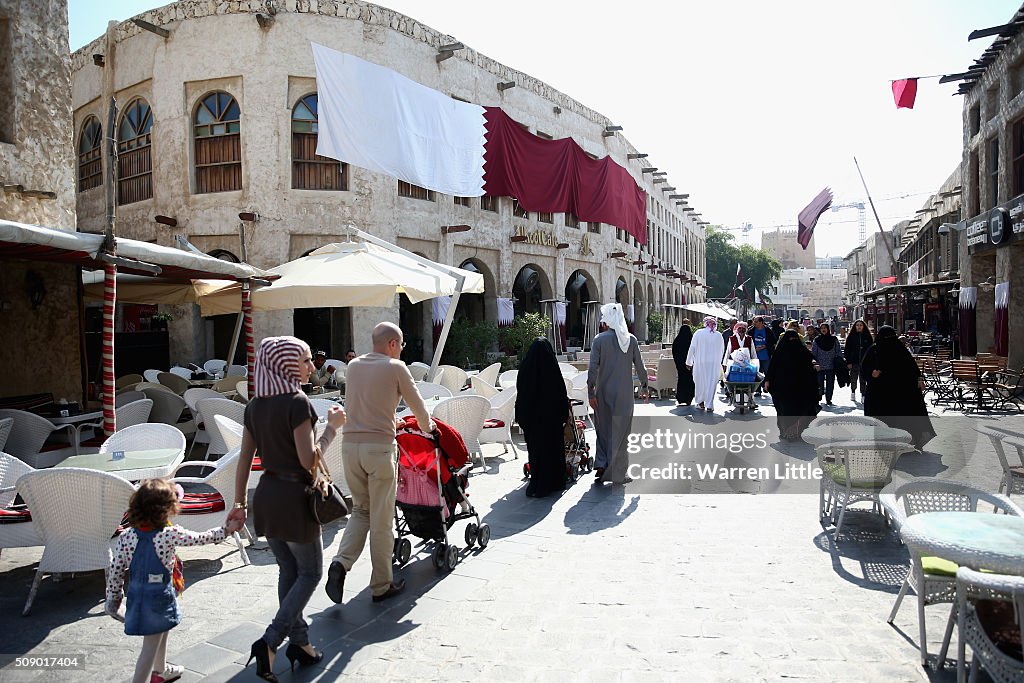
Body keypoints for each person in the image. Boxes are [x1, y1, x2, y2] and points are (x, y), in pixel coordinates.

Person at [226, 336, 345, 681]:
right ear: (286, 364)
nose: (312, 367)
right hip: (295, 499)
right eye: (306, 360)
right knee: (309, 573)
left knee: (288, 572)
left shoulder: (255, 406)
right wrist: (332, 430)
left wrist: (239, 503)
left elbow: (244, 462)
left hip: (267, 497)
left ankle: (301, 644)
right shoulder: (297, 402)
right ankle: (270, 641)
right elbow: (309, 461)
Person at [326, 323, 434, 605]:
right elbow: (418, 405)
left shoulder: (354, 367)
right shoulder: (396, 367)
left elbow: (366, 406)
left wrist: (390, 419)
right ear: (392, 343)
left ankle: (340, 563)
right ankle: (381, 584)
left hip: (350, 447)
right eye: (401, 345)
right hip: (379, 450)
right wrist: (429, 427)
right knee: (382, 519)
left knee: (361, 510)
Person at [106, 479, 244, 683]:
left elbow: (116, 568)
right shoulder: (169, 534)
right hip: (159, 599)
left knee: (162, 630)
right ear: (166, 509)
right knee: (149, 648)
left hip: (138, 597)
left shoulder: (126, 537)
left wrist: (114, 598)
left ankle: (160, 672)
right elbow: (200, 538)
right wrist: (225, 530)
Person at [587, 303, 648, 485]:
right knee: (621, 431)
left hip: (603, 392)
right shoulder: (631, 340)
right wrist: (645, 387)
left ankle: (601, 463)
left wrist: (591, 392)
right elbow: (640, 366)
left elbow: (592, 370)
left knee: (603, 428)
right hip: (624, 394)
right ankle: (618, 472)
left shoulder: (599, 340)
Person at [859, 325, 936, 450]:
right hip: (881, 393)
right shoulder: (875, 350)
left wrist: (919, 379)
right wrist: (872, 373)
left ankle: (903, 441)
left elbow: (912, 369)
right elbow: (864, 369)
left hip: (899, 393)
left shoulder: (898, 350)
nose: (889, 341)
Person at [516, 338, 570, 497]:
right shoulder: (552, 369)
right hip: (551, 419)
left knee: (536, 452)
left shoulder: (525, 369)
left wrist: (522, 417)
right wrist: (562, 415)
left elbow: (522, 394)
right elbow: (561, 393)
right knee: (553, 449)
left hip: (532, 420)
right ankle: (555, 482)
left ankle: (539, 483)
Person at [764, 330, 821, 441]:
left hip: (800, 387)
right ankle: (786, 432)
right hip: (783, 388)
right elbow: (772, 367)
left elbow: (811, 359)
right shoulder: (779, 353)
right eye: (790, 339)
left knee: (801, 408)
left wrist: (814, 364)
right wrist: (767, 381)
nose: (792, 342)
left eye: (795, 339)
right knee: (784, 409)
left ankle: (799, 432)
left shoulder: (802, 351)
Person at [686, 317, 726, 412]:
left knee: (700, 383)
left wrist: (689, 362)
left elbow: (692, 348)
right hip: (714, 364)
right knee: (711, 384)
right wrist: (718, 362)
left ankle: (700, 402)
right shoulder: (719, 335)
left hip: (700, 363)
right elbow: (722, 351)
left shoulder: (698, 333)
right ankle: (709, 404)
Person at [810, 323, 843, 405]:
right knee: (819, 383)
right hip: (820, 365)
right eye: (822, 328)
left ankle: (829, 398)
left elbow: (838, 351)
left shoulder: (834, 339)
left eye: (825, 328)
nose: (823, 329)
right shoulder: (817, 340)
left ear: (828, 329)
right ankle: (819, 395)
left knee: (830, 383)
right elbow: (813, 353)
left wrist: (838, 360)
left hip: (831, 365)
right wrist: (814, 363)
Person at [843, 319, 874, 402]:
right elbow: (847, 350)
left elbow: (871, 350)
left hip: (864, 362)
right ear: (855, 327)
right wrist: (848, 361)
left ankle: (863, 394)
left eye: (861, 325)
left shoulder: (868, 336)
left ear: (863, 326)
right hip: (854, 362)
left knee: (863, 379)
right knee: (853, 378)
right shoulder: (851, 337)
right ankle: (853, 392)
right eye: (857, 325)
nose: (859, 327)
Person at [671, 322, 695, 406]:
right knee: (690, 380)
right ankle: (689, 398)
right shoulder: (691, 340)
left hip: (680, 365)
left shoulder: (677, 340)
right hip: (690, 366)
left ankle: (681, 398)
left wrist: (678, 361)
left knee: (681, 380)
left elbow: (674, 351)